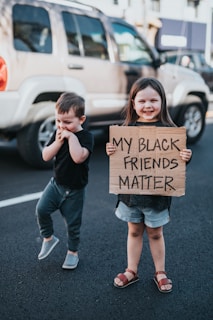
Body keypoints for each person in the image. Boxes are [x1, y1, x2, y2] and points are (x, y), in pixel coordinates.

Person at [106, 77, 192, 293]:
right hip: (130, 196)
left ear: (162, 102)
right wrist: (112, 152)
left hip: (157, 197)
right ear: (133, 103)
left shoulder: (170, 131)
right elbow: (123, 162)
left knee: (155, 233)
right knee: (134, 231)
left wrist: (184, 156)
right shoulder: (126, 130)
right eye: (142, 101)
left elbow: (173, 164)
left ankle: (160, 271)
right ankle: (131, 270)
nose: (148, 106)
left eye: (153, 100)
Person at [36, 92, 94, 269]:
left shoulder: (86, 138)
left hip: (75, 191)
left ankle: (72, 253)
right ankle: (48, 237)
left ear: (81, 119)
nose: (62, 126)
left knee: (72, 225)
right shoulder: (58, 133)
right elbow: (46, 155)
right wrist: (59, 141)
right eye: (58, 121)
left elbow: (78, 157)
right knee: (41, 210)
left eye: (67, 122)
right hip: (56, 185)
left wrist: (71, 138)